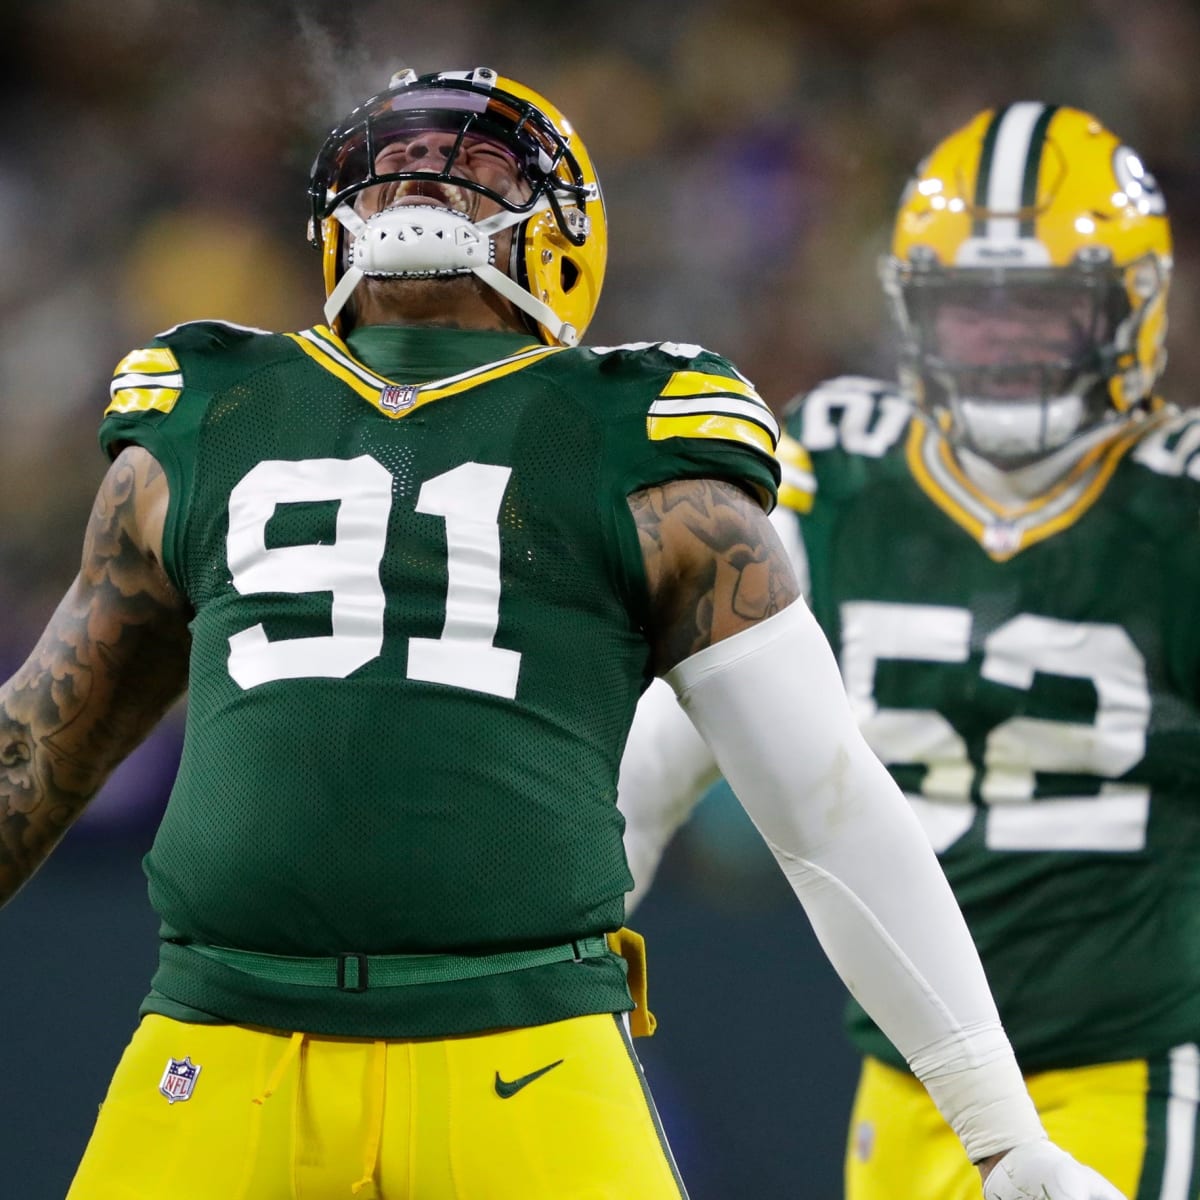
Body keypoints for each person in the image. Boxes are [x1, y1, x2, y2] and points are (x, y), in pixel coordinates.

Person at [0, 67, 1116, 1198]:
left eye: (481, 168)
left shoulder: (641, 442)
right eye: (391, 165)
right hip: (220, 1034)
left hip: (523, 1046)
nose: (424, 181)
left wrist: (999, 1128)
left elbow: (826, 804)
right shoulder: (206, 410)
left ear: (565, 245)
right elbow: (39, 747)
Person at [619, 101, 1196, 1199]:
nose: (1006, 339)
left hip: (1129, 1067)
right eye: (972, 309)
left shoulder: (1177, 506)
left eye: (1046, 309)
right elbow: (653, 759)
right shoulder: (841, 469)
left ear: (1135, 311)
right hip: (908, 1079)